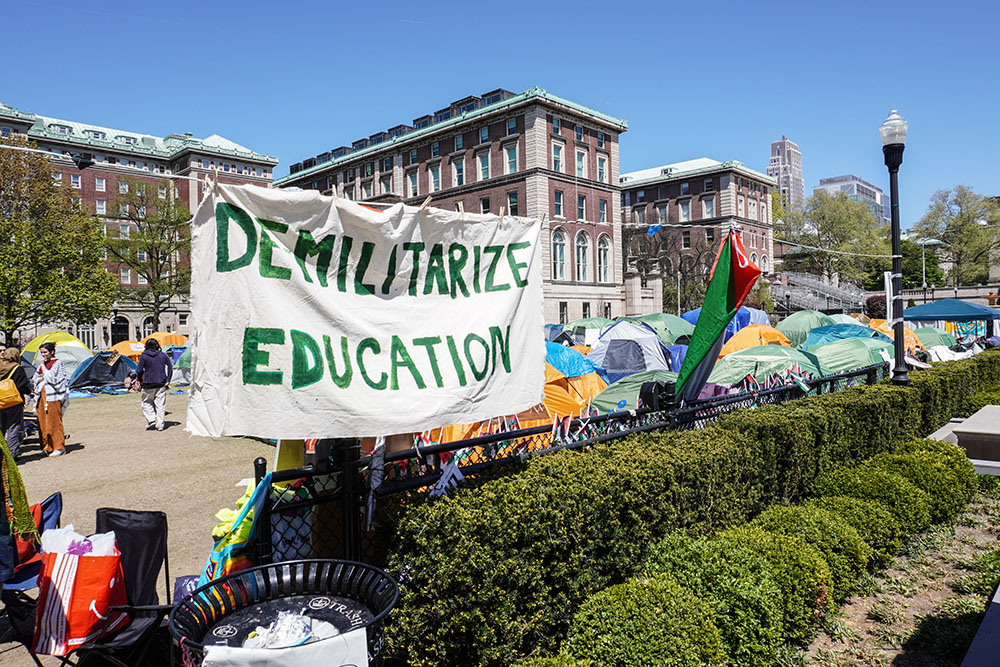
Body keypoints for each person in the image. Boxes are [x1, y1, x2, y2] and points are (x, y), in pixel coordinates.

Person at [33, 342, 69, 457]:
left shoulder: (57, 363)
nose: (43, 355)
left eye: (45, 352)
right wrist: (42, 376)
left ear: (52, 352)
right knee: (42, 421)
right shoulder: (41, 364)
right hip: (41, 396)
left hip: (53, 397)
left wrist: (44, 369)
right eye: (41, 353)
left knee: (54, 421)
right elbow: (36, 378)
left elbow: (52, 379)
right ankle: (46, 446)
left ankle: (59, 447)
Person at [0, 347, 31, 459]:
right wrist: (29, 392)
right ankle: (11, 454)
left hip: (0, 402)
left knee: (1, 428)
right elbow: (23, 386)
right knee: (14, 427)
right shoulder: (17, 368)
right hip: (13, 402)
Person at [135, 339, 173, 431]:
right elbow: (170, 366)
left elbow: (139, 370)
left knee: (146, 402)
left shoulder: (144, 356)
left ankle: (151, 419)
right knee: (160, 404)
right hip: (161, 383)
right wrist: (168, 379)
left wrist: (140, 380)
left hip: (148, 383)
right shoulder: (163, 355)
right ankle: (160, 424)